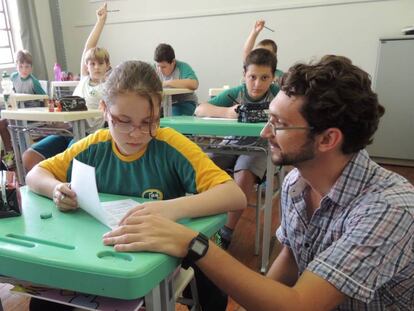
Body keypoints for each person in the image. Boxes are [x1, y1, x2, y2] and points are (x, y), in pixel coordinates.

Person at [103, 55, 414, 310]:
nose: (265, 133)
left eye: (277, 124)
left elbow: (299, 304)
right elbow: (290, 261)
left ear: (328, 139)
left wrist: (192, 244)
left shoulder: (389, 210)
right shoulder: (296, 183)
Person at [26, 60, 246, 311]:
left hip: (162, 255)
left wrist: (170, 208)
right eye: (124, 120)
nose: (136, 133)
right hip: (104, 252)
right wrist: (56, 189)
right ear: (104, 110)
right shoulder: (95, 144)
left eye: (149, 121)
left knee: (212, 283)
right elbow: (35, 174)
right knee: (43, 303)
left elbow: (234, 195)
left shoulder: (169, 143)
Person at [195, 48, 279, 249]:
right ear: (244, 75)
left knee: (245, 172)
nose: (257, 84)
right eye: (252, 77)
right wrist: (226, 112)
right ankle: (202, 222)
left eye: (264, 77)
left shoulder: (278, 96)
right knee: (204, 164)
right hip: (233, 142)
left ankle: (226, 233)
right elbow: (199, 109)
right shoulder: (236, 93)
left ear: (273, 78)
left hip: (261, 145)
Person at [22, 3, 111, 172]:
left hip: (86, 135)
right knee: (29, 157)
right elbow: (88, 48)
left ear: (107, 65)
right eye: (92, 63)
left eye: (101, 63)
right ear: (87, 65)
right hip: (68, 130)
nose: (96, 67)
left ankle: (62, 185)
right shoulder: (84, 79)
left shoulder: (108, 87)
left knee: (70, 162)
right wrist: (100, 21)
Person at [0, 50, 46, 168]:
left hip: (31, 113)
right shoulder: (13, 78)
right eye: (21, 66)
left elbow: (44, 97)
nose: (24, 70)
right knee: (2, 123)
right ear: (16, 66)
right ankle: (11, 153)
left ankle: (22, 152)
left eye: (27, 67)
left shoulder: (33, 82)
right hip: (18, 110)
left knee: (13, 123)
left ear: (31, 68)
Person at [154, 43, 199, 116]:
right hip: (163, 104)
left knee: (172, 116)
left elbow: (194, 84)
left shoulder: (182, 67)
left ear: (173, 62)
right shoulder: (153, 69)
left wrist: (167, 83)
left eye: (164, 67)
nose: (160, 70)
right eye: (158, 66)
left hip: (184, 102)